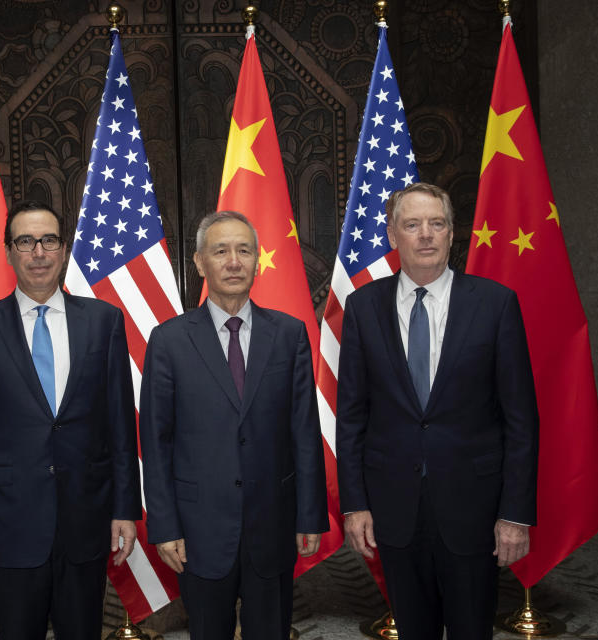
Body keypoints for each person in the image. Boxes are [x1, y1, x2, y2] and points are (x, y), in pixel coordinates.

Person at [336, 183, 539, 640]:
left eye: (437, 224)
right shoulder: (363, 307)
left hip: (476, 509)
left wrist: (515, 514)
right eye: (412, 224)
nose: (425, 235)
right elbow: (351, 416)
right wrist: (355, 504)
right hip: (394, 510)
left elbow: (520, 420)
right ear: (392, 235)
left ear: (451, 234)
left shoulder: (495, 304)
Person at [0, 200, 141, 640]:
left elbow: (120, 427)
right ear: (9, 252)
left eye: (49, 240)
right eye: (25, 241)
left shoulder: (103, 322)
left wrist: (125, 509)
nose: (38, 252)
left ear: (64, 248)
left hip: (86, 522)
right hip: (9, 529)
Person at [139, 210, 329, 639]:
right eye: (220, 251)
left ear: (257, 261)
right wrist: (164, 524)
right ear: (199, 262)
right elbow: (156, 440)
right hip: (198, 529)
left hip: (273, 523)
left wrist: (310, 515)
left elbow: (303, 430)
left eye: (244, 251)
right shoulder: (169, 341)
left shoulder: (289, 334)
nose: (234, 261)